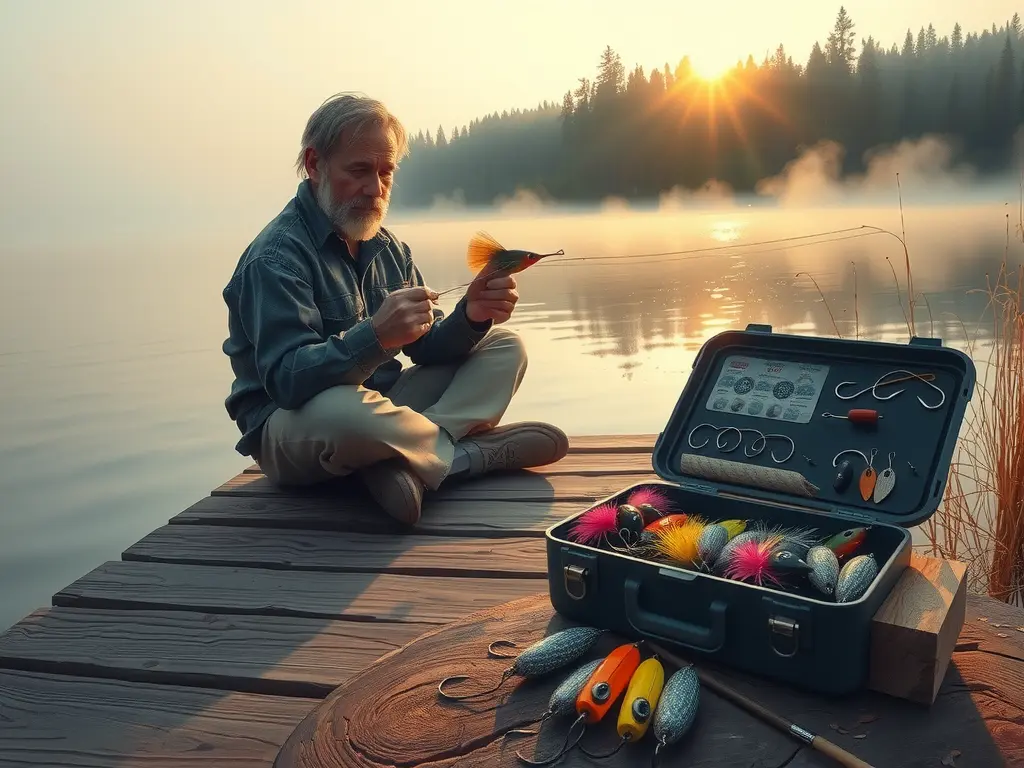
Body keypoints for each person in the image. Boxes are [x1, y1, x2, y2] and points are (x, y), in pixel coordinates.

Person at [220, 93, 569, 525]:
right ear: (314, 165)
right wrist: (377, 336)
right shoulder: (275, 258)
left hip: (382, 406)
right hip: (292, 427)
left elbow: (427, 349)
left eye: (386, 172)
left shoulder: (388, 248)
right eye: (359, 171)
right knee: (344, 412)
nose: (375, 189)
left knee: (504, 346)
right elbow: (287, 382)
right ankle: (464, 457)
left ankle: (403, 462)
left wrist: (472, 315)